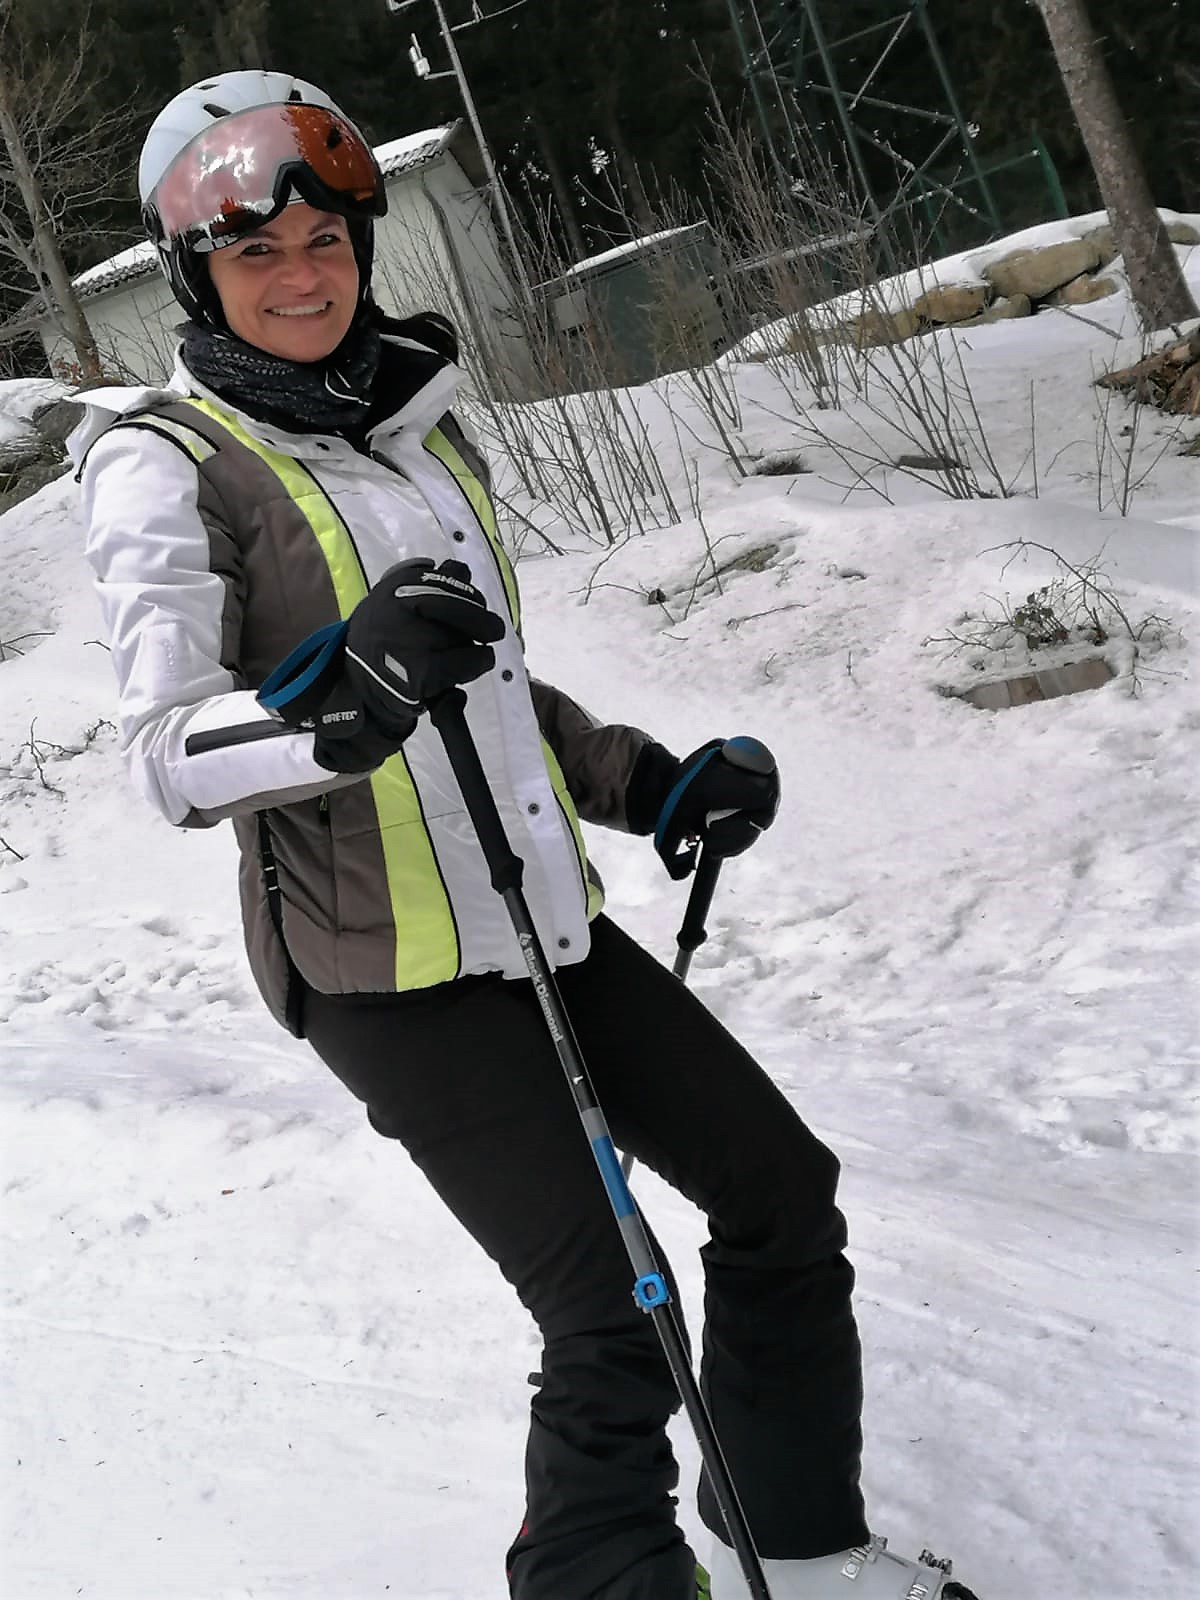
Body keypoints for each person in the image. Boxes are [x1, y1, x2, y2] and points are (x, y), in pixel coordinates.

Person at [72, 70, 973, 1600]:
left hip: (541, 919)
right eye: (256, 253)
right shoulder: (166, 459)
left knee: (779, 1193)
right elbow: (167, 755)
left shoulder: (418, 432)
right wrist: (337, 707)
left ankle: (799, 1543)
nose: (302, 277)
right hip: (383, 969)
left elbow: (488, 691)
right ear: (195, 275)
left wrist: (648, 782)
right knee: (612, 1311)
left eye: (325, 242)